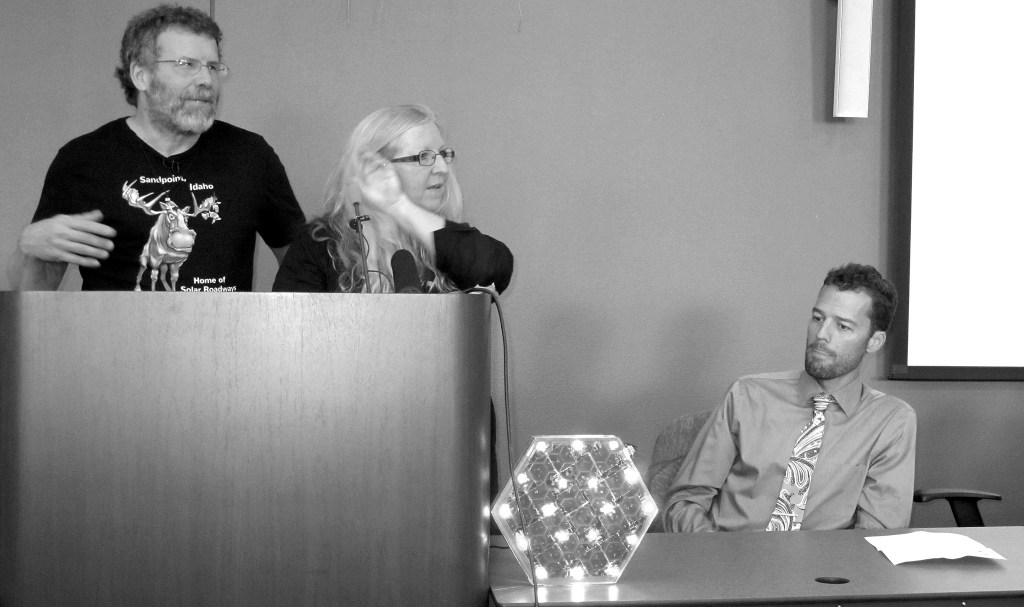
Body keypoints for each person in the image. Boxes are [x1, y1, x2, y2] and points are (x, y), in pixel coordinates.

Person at [8, 4, 305, 292]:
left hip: (224, 341)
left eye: (213, 66)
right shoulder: (83, 159)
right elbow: (33, 297)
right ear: (141, 75)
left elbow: (305, 271)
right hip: (111, 341)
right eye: (186, 64)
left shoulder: (251, 156)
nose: (206, 80)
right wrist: (30, 249)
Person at [664, 263, 916, 532]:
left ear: (874, 341)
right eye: (818, 318)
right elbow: (684, 502)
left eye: (842, 326)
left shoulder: (891, 421)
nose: (821, 335)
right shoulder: (747, 395)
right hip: (727, 559)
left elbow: (876, 536)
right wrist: (717, 560)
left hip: (822, 572)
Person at [272, 104, 512, 294]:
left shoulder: (449, 244)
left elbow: (495, 269)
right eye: (424, 156)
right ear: (377, 169)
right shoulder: (321, 244)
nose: (442, 168)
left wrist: (402, 208)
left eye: (442, 154)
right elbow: (290, 333)